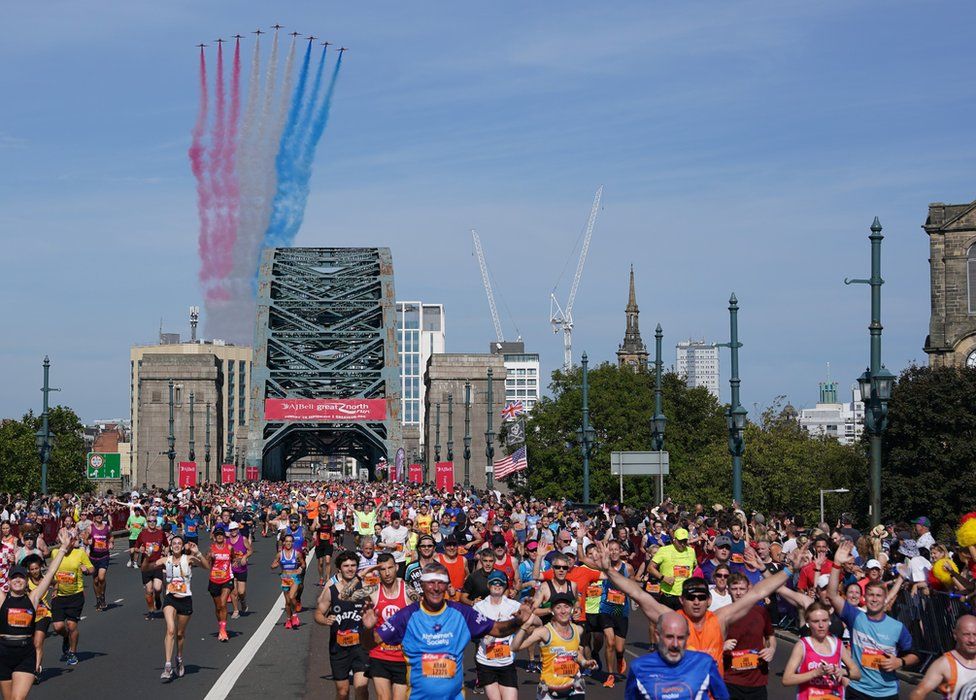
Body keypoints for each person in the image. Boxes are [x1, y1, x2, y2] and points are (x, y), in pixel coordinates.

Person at [590, 541, 789, 671]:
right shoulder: (672, 619)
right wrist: (608, 570)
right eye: (691, 597)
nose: (696, 601)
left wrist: (790, 570)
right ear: (681, 600)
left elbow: (758, 592)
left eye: (701, 597)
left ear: (709, 600)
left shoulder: (719, 618)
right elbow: (637, 594)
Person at [363, 562, 533, 700]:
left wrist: (518, 621)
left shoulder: (462, 612)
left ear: (447, 586)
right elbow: (371, 642)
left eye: (441, 583)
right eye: (430, 582)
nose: (436, 588)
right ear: (421, 585)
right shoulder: (407, 615)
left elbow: (498, 629)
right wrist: (367, 629)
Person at [828, 541, 918, 700]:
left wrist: (899, 662)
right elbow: (833, 595)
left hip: (887, 693)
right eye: (870, 595)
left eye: (878, 595)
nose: (874, 599)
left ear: (885, 599)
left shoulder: (896, 627)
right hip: (858, 690)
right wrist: (836, 564)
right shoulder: (855, 617)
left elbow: (914, 655)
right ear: (865, 597)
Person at [0, 531, 69, 698]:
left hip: (25, 654)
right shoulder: (2, 600)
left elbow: (51, 572)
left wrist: (63, 549)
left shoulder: (33, 598)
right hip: (3, 653)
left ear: (26, 581)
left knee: (18, 698)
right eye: (14, 578)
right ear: (9, 582)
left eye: (21, 578)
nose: (18, 580)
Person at [511, 592, 597, 700]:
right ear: (552, 611)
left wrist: (584, 662)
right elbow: (514, 648)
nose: (563, 611)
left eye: (566, 607)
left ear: (571, 609)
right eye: (558, 607)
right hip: (549, 688)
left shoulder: (578, 630)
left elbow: (575, 652)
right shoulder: (544, 632)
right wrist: (525, 625)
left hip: (574, 685)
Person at [625, 611, 729, 700]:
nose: (675, 644)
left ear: (687, 637)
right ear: (657, 636)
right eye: (669, 637)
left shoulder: (705, 663)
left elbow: (723, 697)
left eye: (680, 638)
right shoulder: (638, 667)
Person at [149, 535, 208, 681]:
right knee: (170, 630)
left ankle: (179, 657)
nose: (176, 545)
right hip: (170, 598)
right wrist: (146, 557)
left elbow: (207, 567)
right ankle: (167, 666)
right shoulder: (166, 560)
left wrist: (198, 553)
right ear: (170, 546)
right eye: (174, 543)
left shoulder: (188, 559)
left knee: (180, 634)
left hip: (185, 600)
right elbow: (148, 567)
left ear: (182, 547)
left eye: (179, 543)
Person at [316, 550, 369, 700]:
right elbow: (319, 613)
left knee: (361, 688)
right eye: (346, 566)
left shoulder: (366, 588)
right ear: (339, 568)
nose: (350, 569)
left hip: (361, 646)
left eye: (353, 565)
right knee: (342, 692)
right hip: (338, 647)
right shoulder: (332, 590)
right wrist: (324, 620)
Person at [783, 600, 860, 700]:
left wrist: (842, 672)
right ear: (808, 623)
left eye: (824, 620)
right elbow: (786, 679)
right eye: (815, 621)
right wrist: (815, 673)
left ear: (829, 621)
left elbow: (857, 674)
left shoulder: (837, 644)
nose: (821, 625)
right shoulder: (802, 646)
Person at [722, 573, 776, 700]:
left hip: (757, 680)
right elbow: (710, 644)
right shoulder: (723, 615)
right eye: (734, 589)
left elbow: (770, 636)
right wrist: (722, 645)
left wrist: (771, 649)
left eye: (742, 589)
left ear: (748, 590)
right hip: (731, 680)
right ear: (728, 590)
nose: (738, 593)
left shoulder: (760, 612)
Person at [366, 553, 409, 700]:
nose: (387, 573)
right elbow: (344, 596)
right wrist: (363, 574)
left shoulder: (407, 591)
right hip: (379, 654)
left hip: (402, 657)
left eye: (390, 568)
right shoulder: (373, 592)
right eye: (383, 569)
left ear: (397, 567)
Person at [473, 570, 521, 700]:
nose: (497, 585)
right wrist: (484, 634)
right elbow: (472, 630)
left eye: (500, 583)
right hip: (486, 663)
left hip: (506, 662)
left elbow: (532, 618)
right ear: (488, 585)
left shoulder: (514, 606)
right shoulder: (479, 607)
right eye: (494, 582)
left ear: (505, 586)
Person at [49, 530, 93, 667]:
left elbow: (92, 569)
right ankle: (66, 637)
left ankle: (72, 652)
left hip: (75, 595)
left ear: (73, 542)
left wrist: (87, 570)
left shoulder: (80, 553)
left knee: (71, 625)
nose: (66, 544)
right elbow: (52, 572)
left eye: (68, 541)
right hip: (59, 596)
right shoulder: (55, 553)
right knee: (58, 627)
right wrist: (54, 587)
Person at [910, 614, 976, 700]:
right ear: (955, 635)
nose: (972, 640)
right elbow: (919, 693)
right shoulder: (945, 664)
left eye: (975, 634)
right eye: (966, 634)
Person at [599, 540, 632, 688]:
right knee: (609, 642)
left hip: (621, 610)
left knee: (619, 648)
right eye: (610, 550)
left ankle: (620, 658)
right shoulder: (604, 567)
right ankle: (610, 675)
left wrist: (637, 600)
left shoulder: (628, 568)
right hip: (606, 609)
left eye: (616, 549)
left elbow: (632, 586)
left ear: (621, 551)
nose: (613, 552)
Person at [648, 527, 698, 609]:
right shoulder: (664, 550)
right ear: (674, 540)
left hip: (685, 595)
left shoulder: (691, 551)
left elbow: (695, 567)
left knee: (684, 621)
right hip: (668, 594)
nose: (682, 544)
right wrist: (663, 578)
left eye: (685, 541)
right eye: (680, 541)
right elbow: (650, 568)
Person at [203, 525, 234, 642]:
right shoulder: (211, 549)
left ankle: (223, 630)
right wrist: (209, 557)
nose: (219, 536)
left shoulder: (229, 548)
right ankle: (221, 625)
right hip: (214, 580)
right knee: (217, 607)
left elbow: (233, 558)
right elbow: (206, 563)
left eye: (221, 534)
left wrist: (235, 563)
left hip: (226, 579)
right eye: (217, 535)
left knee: (223, 604)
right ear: (214, 537)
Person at [272, 532, 306, 630]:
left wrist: (300, 569)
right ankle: (288, 619)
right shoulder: (280, 554)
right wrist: (275, 565)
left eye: (290, 542)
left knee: (292, 597)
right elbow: (273, 565)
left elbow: (303, 564)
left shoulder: (297, 553)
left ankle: (294, 615)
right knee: (287, 602)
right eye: (286, 541)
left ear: (293, 543)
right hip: (285, 578)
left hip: (295, 577)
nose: (288, 543)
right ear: (283, 543)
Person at [136, 515, 168, 620]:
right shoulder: (142, 534)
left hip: (157, 564)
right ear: (147, 522)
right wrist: (139, 550)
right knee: (149, 590)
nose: (152, 523)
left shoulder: (160, 533)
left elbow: (166, 545)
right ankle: (151, 611)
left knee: (158, 588)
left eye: (154, 521)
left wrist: (165, 553)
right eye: (150, 521)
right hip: (146, 565)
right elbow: (135, 548)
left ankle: (158, 598)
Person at [88, 508, 112, 611]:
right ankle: (98, 599)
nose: (99, 516)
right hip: (93, 557)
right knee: (96, 580)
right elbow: (85, 539)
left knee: (101, 578)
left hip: (104, 556)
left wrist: (111, 543)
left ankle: (102, 595)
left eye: (100, 514)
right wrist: (87, 541)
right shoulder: (90, 528)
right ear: (94, 516)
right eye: (97, 515)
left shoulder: (107, 527)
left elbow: (110, 537)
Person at [227, 522, 253, 618]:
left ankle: (243, 601)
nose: (233, 531)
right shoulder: (227, 541)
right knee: (233, 592)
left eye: (235, 529)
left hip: (242, 569)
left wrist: (245, 557)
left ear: (238, 529)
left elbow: (250, 550)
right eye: (231, 530)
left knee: (241, 592)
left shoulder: (243, 539)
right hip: (231, 570)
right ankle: (235, 610)